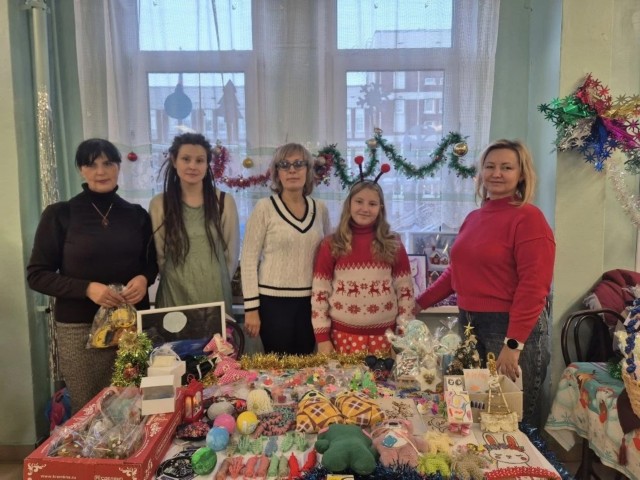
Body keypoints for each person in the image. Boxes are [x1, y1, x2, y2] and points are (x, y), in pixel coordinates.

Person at [415, 139, 555, 427]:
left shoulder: (529, 218)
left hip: (509, 328)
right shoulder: (474, 218)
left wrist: (513, 344)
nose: (497, 173)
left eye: (506, 167)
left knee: (512, 419)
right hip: (469, 324)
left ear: (521, 174)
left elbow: (533, 286)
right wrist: (419, 303)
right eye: (490, 166)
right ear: (480, 173)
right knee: (477, 414)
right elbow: (456, 272)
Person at [27, 138, 158, 413]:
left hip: (132, 330)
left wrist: (144, 279)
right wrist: (87, 288)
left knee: (137, 408)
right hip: (80, 331)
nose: (101, 171)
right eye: (91, 164)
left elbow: (151, 264)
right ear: (81, 169)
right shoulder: (60, 214)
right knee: (89, 412)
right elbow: (37, 275)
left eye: (108, 163)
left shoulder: (136, 215)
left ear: (118, 167)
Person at [241, 143, 331, 354]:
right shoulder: (264, 208)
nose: (292, 170)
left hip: (311, 302)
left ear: (308, 170)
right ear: (277, 172)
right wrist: (251, 308)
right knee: (278, 367)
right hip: (273, 303)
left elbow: (328, 256)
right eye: (285, 165)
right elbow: (248, 260)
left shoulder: (320, 209)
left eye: (299, 164)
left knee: (307, 364)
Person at [312, 180, 414, 356]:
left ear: (380, 208)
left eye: (372, 204)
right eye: (359, 201)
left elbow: (405, 292)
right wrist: (322, 338)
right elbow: (320, 293)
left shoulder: (393, 244)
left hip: (385, 338)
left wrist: (403, 335)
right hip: (341, 338)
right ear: (349, 204)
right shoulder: (332, 244)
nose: (365, 209)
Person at [149, 133, 239, 314]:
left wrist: (218, 282)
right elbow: (160, 255)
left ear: (207, 164)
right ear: (174, 161)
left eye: (199, 160)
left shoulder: (223, 201)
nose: (192, 166)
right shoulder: (160, 203)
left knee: (216, 334)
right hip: (174, 293)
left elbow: (231, 253)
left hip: (215, 293)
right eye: (186, 159)